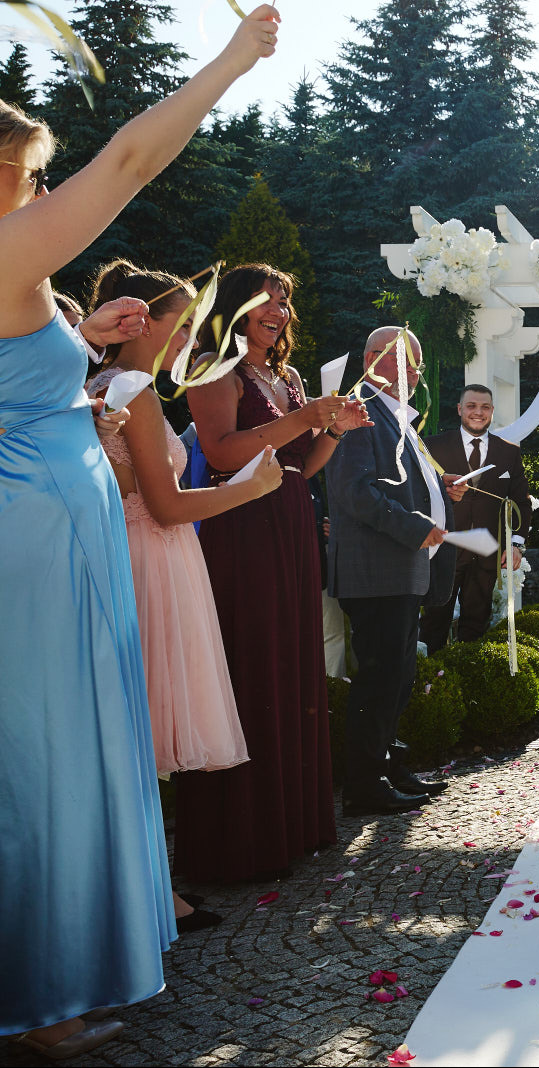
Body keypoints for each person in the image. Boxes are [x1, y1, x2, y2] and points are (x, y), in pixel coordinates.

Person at [0, 9, 280, 1057]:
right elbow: (129, 159)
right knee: (42, 757)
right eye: (32, 174)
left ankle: (45, 984)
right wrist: (232, 62)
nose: (40, 191)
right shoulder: (6, 244)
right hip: (37, 543)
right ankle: (39, 998)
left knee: (38, 748)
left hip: (44, 534)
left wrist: (81, 340)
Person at [87, 260, 291, 930]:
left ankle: (153, 884)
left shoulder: (101, 385)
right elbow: (168, 506)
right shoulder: (135, 391)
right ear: (142, 324)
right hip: (151, 558)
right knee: (143, 733)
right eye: (182, 327)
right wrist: (249, 491)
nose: (189, 341)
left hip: (138, 552)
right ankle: (152, 894)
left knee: (135, 732)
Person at [179, 263, 369, 882]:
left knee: (293, 662)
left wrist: (333, 429)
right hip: (242, 524)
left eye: (284, 302)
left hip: (290, 518)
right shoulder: (213, 368)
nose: (277, 311)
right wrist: (303, 418)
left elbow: (302, 466)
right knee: (254, 661)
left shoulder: (286, 376)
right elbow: (221, 451)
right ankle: (244, 837)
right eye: (265, 300)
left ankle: (294, 825)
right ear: (234, 306)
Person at [327, 327, 456, 815]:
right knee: (379, 679)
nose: (414, 371)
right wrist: (414, 526)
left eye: (417, 362)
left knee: (398, 678)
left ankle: (388, 765)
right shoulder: (358, 409)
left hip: (402, 569)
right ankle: (364, 785)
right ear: (370, 360)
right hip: (375, 569)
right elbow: (353, 491)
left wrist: (442, 489)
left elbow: (402, 484)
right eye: (404, 359)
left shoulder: (396, 415)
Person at [421, 384, 534, 654]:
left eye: (484, 407)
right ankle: (431, 677)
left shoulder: (509, 452)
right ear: (460, 409)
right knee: (434, 625)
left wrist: (516, 545)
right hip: (443, 550)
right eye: (471, 406)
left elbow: (521, 501)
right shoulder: (433, 446)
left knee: (476, 628)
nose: (478, 412)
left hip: (486, 554)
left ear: (492, 411)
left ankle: (468, 674)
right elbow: (420, 495)